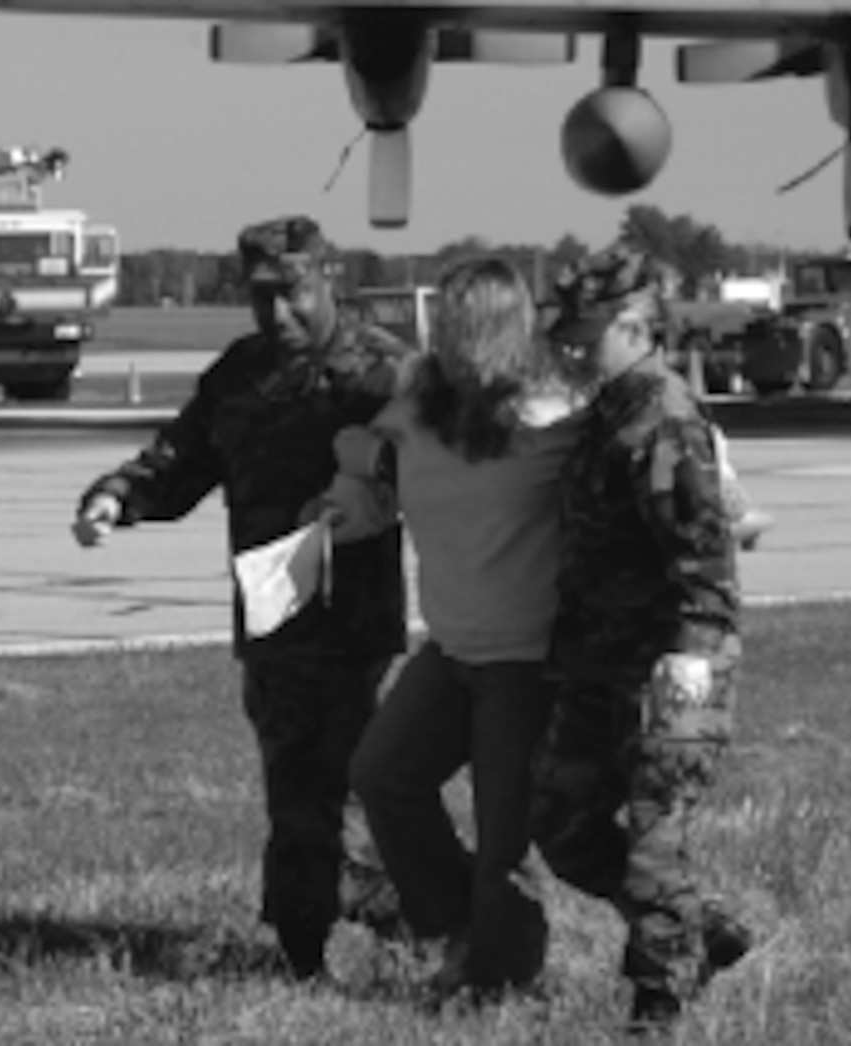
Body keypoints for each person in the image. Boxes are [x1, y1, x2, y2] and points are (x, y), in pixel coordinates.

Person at [71, 215, 413, 981]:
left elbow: (455, 471)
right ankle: (304, 947)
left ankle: (417, 916)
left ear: (329, 280)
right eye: (262, 298)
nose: (278, 314)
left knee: (367, 785)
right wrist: (115, 498)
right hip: (273, 621)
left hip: (355, 619)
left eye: (293, 294)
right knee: (297, 784)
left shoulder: (384, 373)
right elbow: (181, 460)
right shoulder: (239, 374)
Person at [326, 257, 583, 1002]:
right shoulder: (417, 409)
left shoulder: (555, 418)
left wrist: (723, 509)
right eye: (450, 322)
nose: (458, 341)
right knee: (383, 775)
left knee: (507, 842)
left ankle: (502, 984)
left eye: (476, 325)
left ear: (511, 330)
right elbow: (371, 474)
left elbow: (656, 448)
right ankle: (457, 930)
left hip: (527, 661)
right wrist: (342, 508)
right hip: (451, 649)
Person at [529, 245, 756, 1034]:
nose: (571, 347)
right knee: (560, 824)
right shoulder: (609, 414)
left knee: (657, 841)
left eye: (586, 332)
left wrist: (689, 670)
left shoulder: (665, 418)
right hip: (598, 664)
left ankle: (659, 1004)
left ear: (634, 325)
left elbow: (707, 560)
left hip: (677, 663)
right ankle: (701, 928)